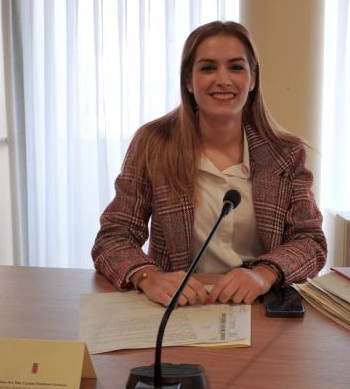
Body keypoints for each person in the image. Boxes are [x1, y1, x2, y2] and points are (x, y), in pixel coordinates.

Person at [92, 20, 327, 307]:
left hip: (258, 306)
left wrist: (265, 273)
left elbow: (310, 242)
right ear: (188, 81)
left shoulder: (285, 153)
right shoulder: (153, 144)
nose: (223, 79)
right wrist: (148, 276)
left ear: (253, 79)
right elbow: (113, 237)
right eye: (208, 68)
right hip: (180, 307)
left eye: (236, 67)